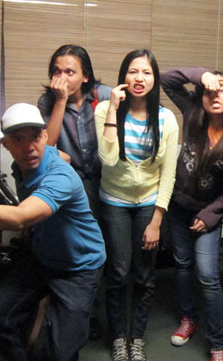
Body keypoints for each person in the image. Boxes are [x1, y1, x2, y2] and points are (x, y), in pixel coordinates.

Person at [0, 103, 106, 361]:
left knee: (61, 352)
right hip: (42, 256)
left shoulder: (61, 177)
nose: (29, 147)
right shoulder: (26, 165)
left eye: (36, 137)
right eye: (18, 139)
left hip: (78, 266)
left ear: (45, 136)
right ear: (5, 144)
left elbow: (21, 217)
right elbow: (64, 155)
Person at [95, 49, 179, 361]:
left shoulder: (166, 119)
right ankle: (119, 337)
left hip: (149, 204)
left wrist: (157, 220)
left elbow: (168, 174)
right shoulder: (104, 109)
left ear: (155, 79)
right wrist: (113, 110)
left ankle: (137, 338)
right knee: (118, 272)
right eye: (133, 71)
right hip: (114, 201)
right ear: (123, 77)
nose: (139, 78)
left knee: (144, 274)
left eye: (146, 72)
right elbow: (107, 159)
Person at [161, 67, 223, 361]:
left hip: (207, 214)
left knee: (208, 275)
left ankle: (217, 343)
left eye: (222, 90)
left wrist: (210, 215)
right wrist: (202, 75)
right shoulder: (192, 112)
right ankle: (188, 318)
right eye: (209, 91)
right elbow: (166, 80)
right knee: (183, 265)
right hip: (178, 207)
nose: (214, 95)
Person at [38, 44, 110, 340]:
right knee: (82, 248)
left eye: (70, 71)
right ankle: (84, 313)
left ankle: (107, 312)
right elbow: (47, 146)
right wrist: (60, 101)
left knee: (110, 248)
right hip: (75, 184)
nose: (62, 77)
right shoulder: (48, 100)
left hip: (108, 179)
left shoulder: (104, 96)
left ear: (85, 76)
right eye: (57, 71)